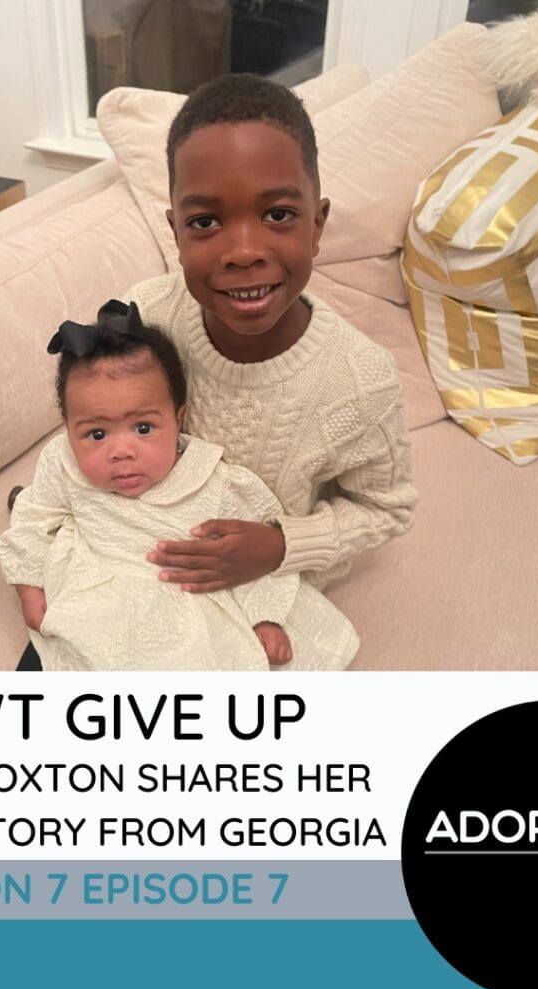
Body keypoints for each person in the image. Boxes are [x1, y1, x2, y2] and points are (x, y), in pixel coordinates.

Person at [126, 73, 418, 599]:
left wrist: (281, 546)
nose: (243, 251)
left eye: (278, 215)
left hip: (268, 592)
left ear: (318, 224)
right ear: (175, 231)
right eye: (206, 221)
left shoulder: (362, 381)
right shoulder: (145, 318)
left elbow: (387, 508)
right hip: (141, 557)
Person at [0, 299, 360, 671]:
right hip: (93, 601)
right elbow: (32, 517)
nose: (121, 451)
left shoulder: (212, 480)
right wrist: (29, 586)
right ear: (68, 429)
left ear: (178, 419)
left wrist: (265, 616)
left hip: (186, 611)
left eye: (143, 428)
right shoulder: (63, 463)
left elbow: (256, 549)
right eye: (96, 433)